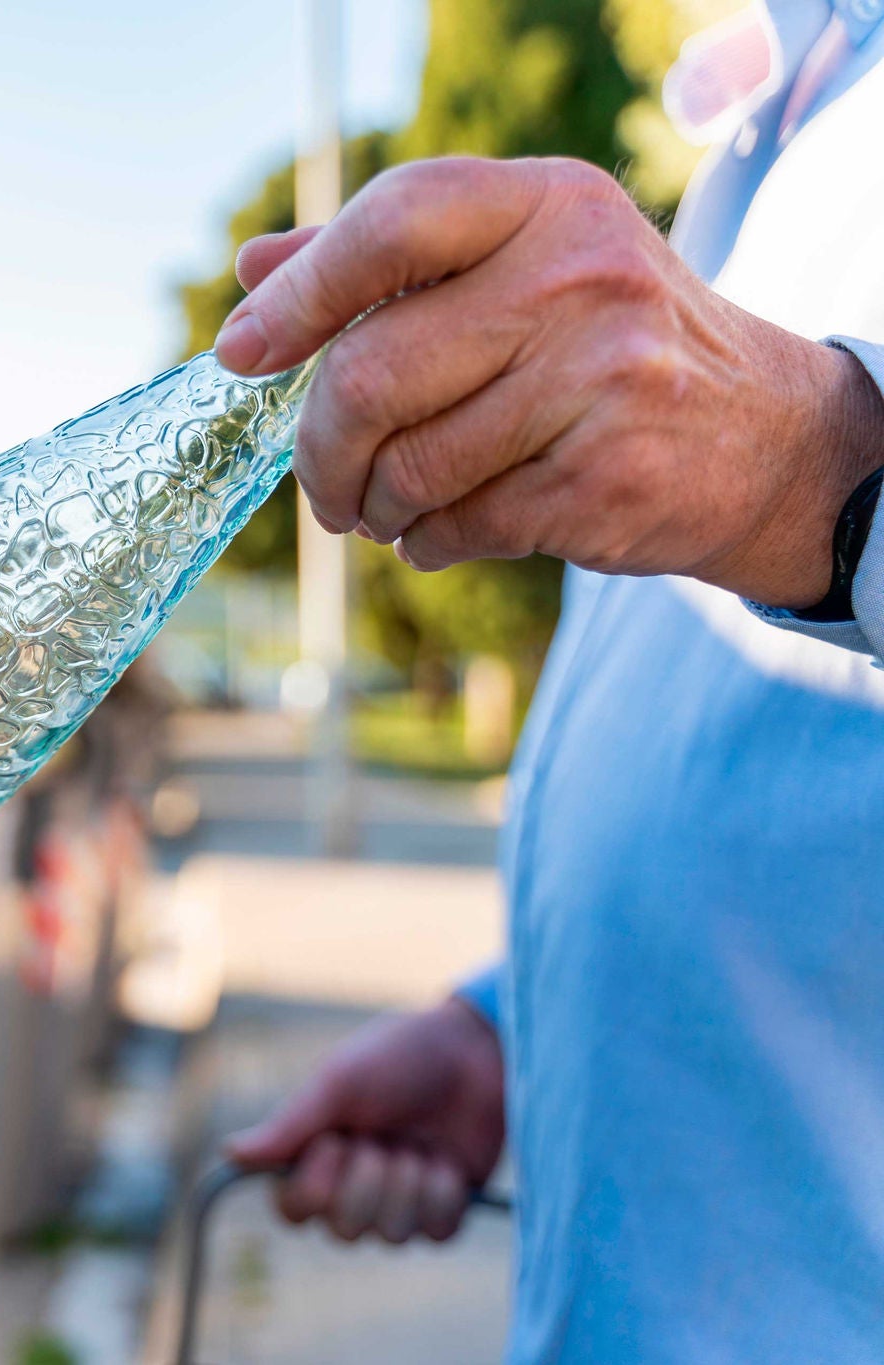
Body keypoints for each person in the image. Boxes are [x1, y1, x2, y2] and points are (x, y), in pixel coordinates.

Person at [214, 2, 884, 1359]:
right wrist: (506, 1033)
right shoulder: (775, 115)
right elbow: (757, 766)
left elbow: (794, 489)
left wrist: (814, 466)